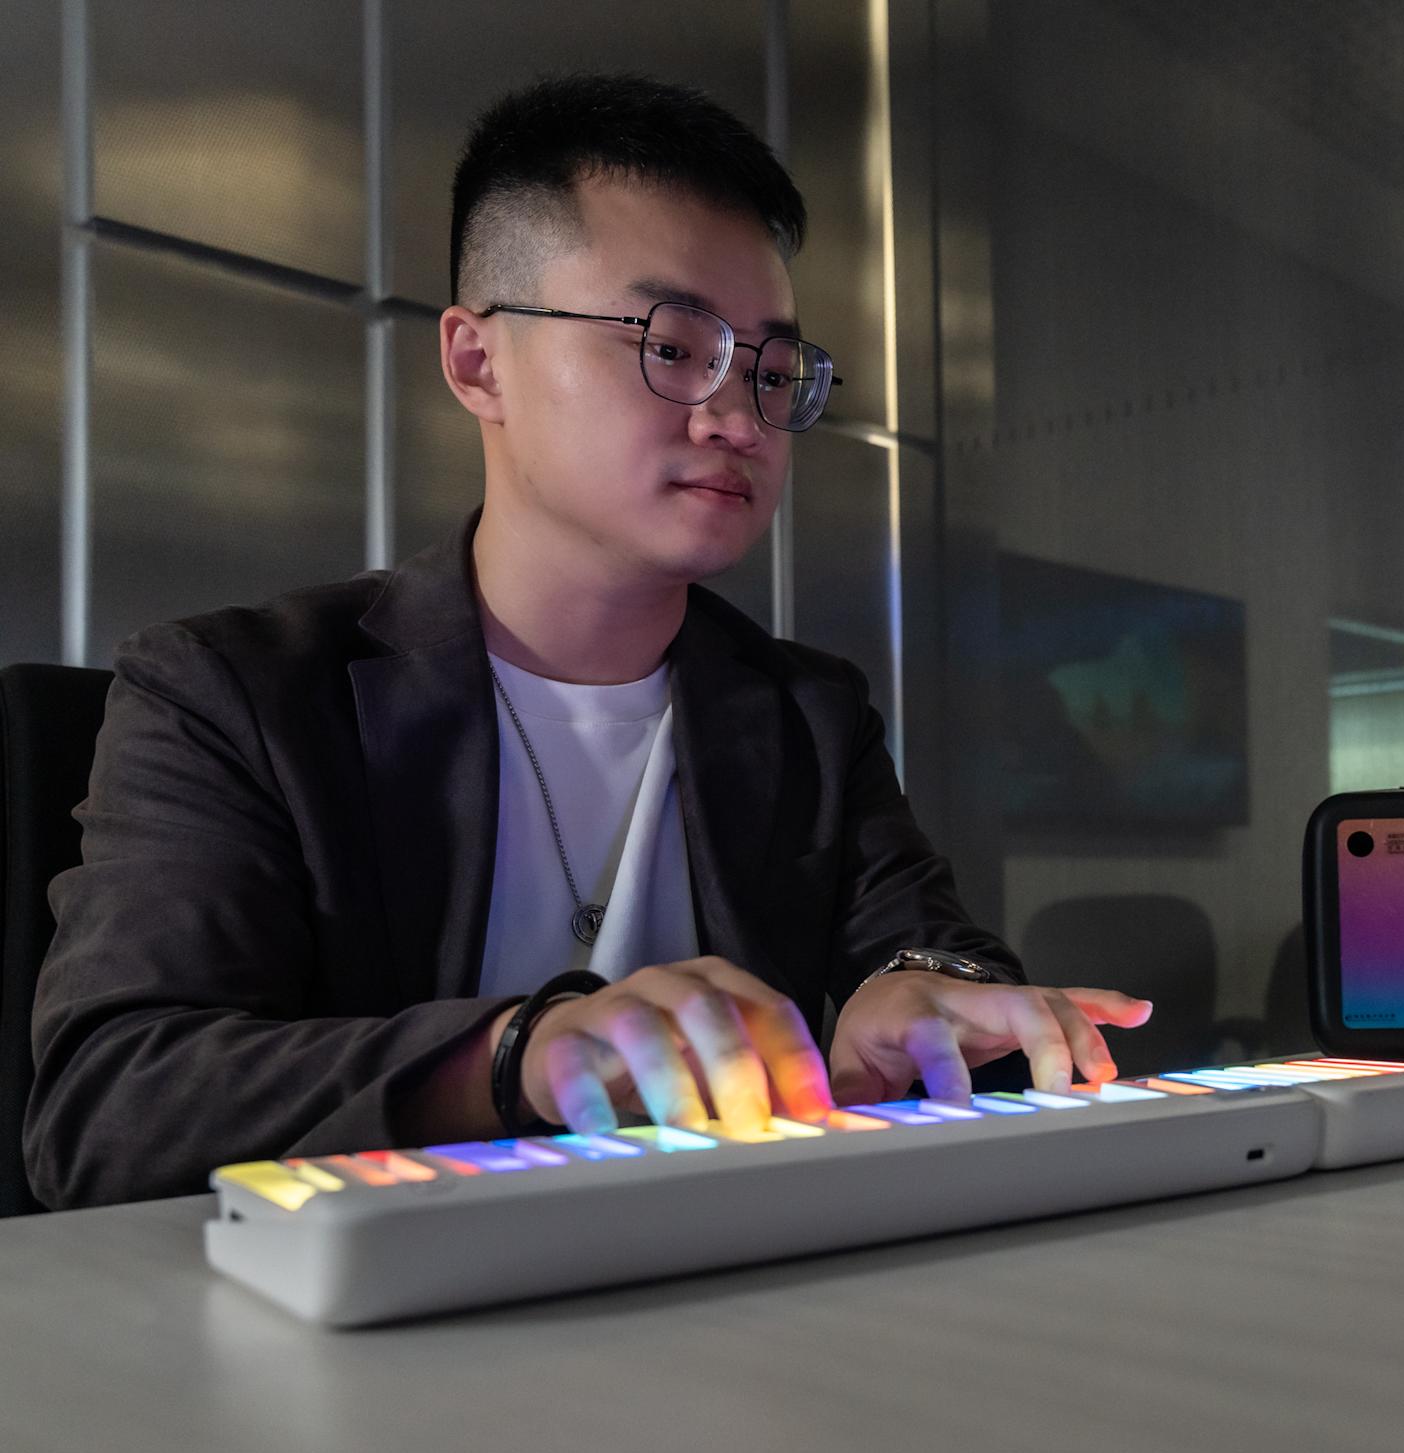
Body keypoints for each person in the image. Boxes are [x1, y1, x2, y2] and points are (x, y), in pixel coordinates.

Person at [25, 74, 1149, 1209]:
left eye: (770, 368)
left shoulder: (806, 712)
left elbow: (927, 945)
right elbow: (110, 1106)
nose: (736, 417)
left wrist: (912, 999)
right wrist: (521, 1056)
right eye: (671, 345)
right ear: (477, 362)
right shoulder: (235, 693)